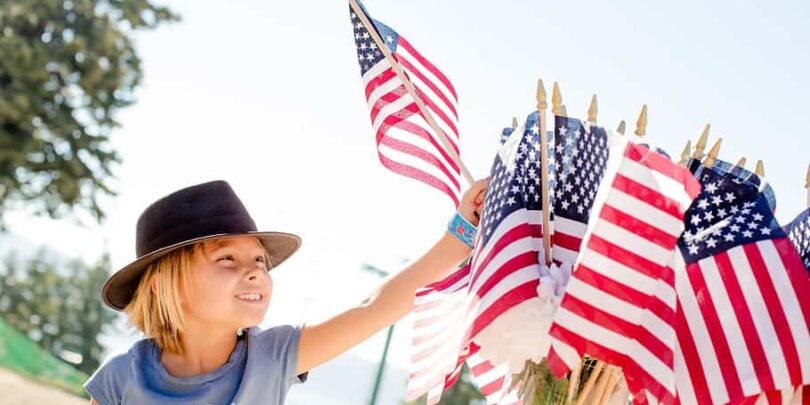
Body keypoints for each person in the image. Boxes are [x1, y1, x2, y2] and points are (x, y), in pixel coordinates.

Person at [84, 179, 486, 404]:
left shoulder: (272, 358)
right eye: (227, 260)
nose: (255, 273)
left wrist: (461, 235)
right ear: (161, 287)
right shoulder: (120, 378)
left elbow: (373, 307)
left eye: (259, 261)